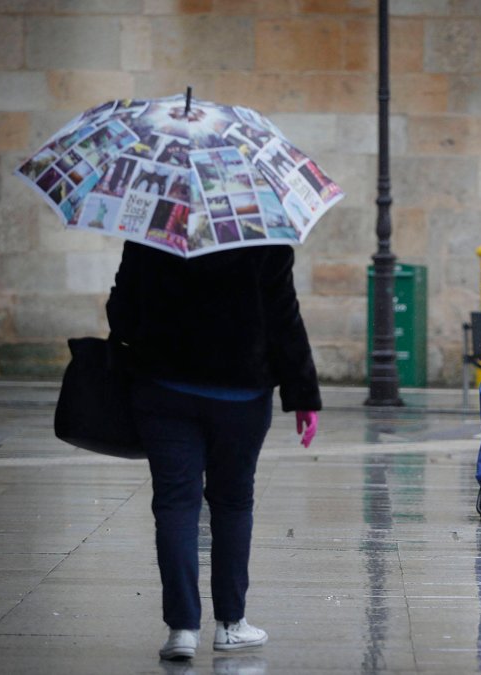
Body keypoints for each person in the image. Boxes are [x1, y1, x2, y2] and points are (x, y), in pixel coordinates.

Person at [107, 241, 321, 662]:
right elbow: (283, 315)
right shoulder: (263, 235)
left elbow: (121, 312)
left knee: (174, 503)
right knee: (233, 502)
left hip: (163, 390)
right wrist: (303, 395)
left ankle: (181, 629)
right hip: (241, 395)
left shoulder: (153, 230)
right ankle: (230, 624)